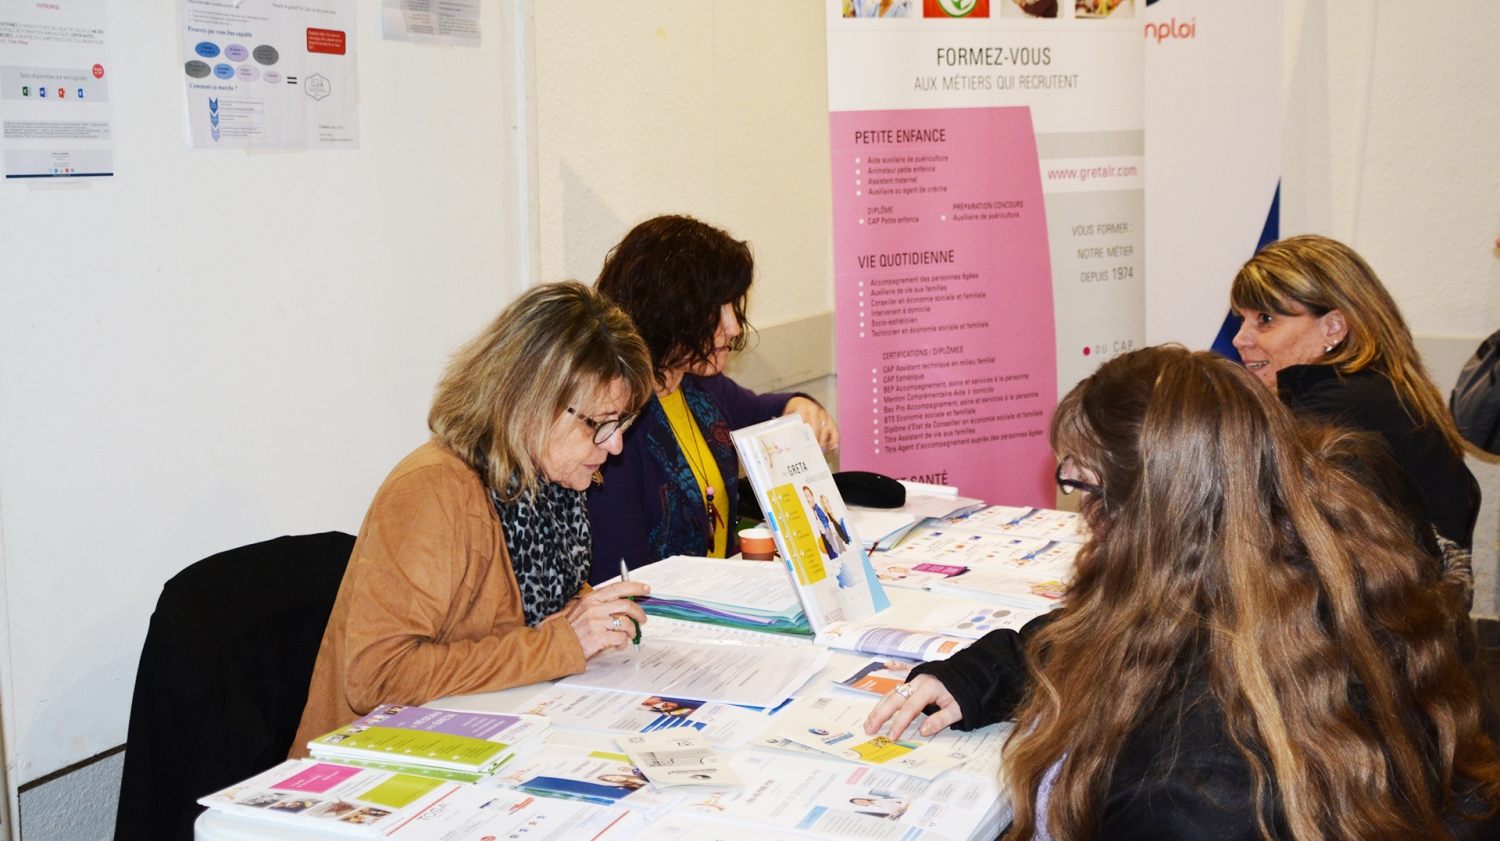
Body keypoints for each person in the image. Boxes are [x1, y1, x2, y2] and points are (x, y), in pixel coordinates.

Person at [866, 346, 1500, 841]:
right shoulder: (1308, 565)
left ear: (1147, 515)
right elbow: (1117, 628)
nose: (1081, 513)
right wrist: (983, 673)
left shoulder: (1186, 779)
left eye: (1080, 485)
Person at [291, 283, 655, 755]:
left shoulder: (549, 483)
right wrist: (560, 643)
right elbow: (376, 677)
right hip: (371, 768)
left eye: (621, 424)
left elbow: (522, 624)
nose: (615, 446)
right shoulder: (433, 491)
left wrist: (580, 621)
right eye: (601, 425)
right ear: (531, 402)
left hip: (479, 741)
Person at [588, 215, 839, 582]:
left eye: (734, 307)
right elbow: (622, 579)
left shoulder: (699, 386)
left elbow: (759, 410)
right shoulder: (616, 424)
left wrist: (797, 406)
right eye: (716, 310)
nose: (735, 326)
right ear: (668, 310)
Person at [1231, 234, 1480, 550]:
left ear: (1333, 327)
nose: (1241, 339)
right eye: (1242, 319)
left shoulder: (1333, 408)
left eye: (1265, 320)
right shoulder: (1373, 388)